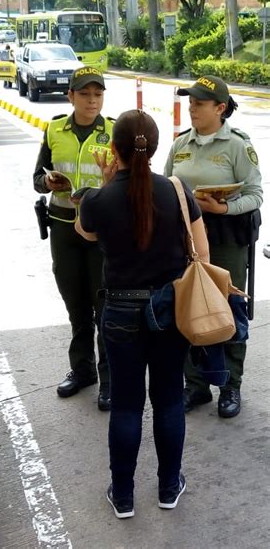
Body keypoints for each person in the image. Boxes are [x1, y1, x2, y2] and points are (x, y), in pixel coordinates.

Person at [75, 109, 210, 518]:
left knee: (127, 405)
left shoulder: (99, 199)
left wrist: (104, 183)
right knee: (169, 400)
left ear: (114, 149)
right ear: (153, 149)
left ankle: (124, 495)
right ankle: (169, 487)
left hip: (118, 311)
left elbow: (85, 231)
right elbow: (201, 254)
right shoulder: (176, 190)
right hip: (169, 311)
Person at [164, 75, 263, 418]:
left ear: (220, 108)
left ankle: (230, 385)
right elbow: (166, 188)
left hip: (226, 238)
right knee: (189, 308)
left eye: (199, 103)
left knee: (229, 308)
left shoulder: (237, 145)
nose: (192, 108)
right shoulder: (180, 144)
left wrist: (223, 208)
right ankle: (196, 386)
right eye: (190, 102)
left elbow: (254, 195)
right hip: (186, 239)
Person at [33, 67, 114, 411]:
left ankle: (109, 379)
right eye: (84, 94)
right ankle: (81, 370)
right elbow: (37, 176)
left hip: (101, 233)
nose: (92, 101)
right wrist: (47, 182)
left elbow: (128, 179)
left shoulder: (113, 131)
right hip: (63, 228)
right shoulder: (53, 129)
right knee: (76, 306)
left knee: (104, 307)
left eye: (97, 94)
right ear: (71, 97)